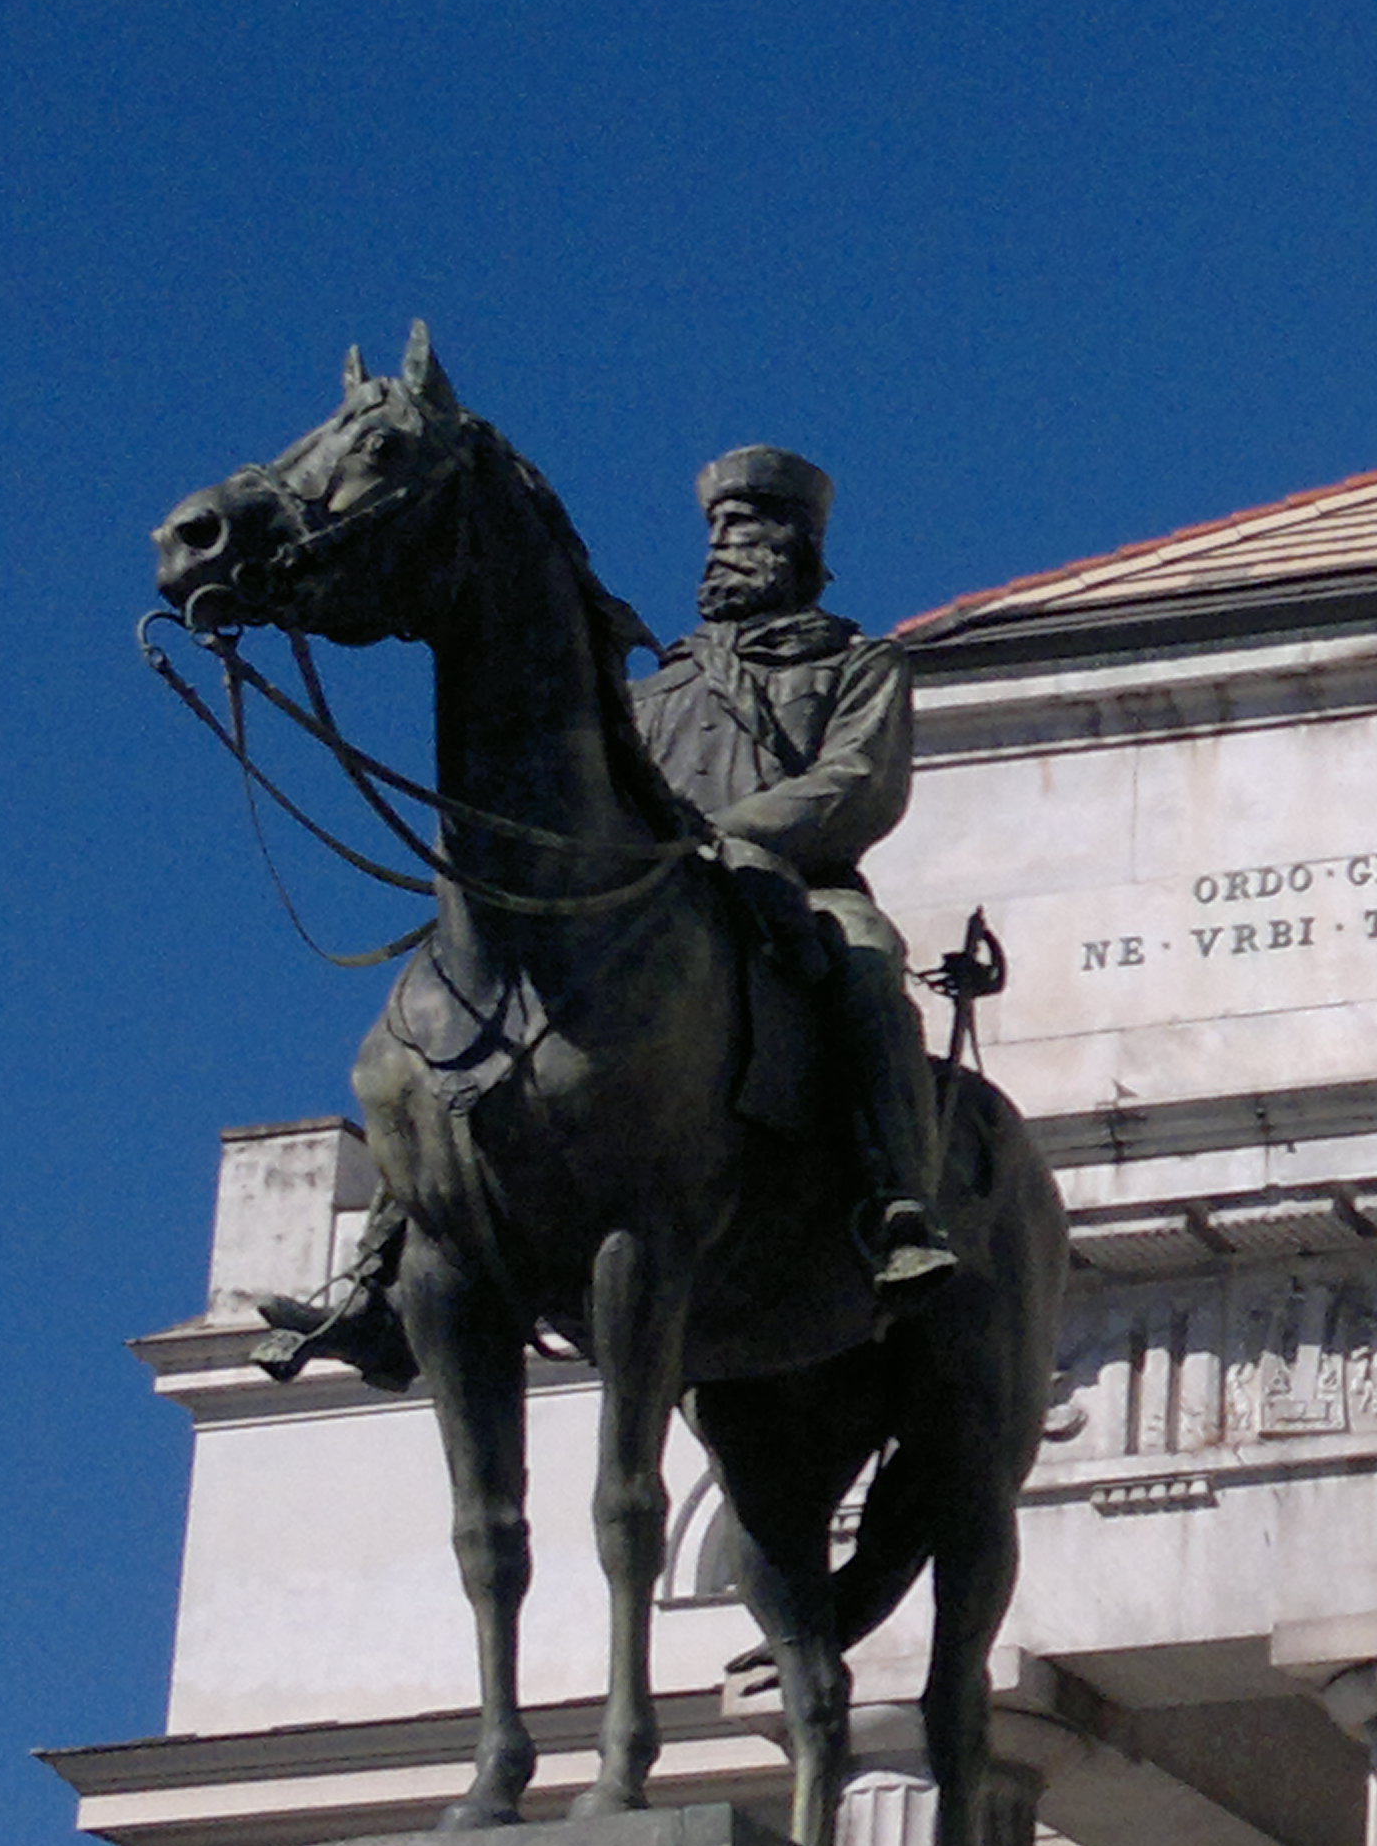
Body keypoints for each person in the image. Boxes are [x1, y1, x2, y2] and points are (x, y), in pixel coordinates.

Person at [254, 446, 959, 1388]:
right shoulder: (654, 687)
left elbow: (858, 781)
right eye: (718, 530)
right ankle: (379, 1278)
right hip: (656, 894)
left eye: (750, 528)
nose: (728, 546)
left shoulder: (858, 663)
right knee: (456, 1021)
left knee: (869, 963)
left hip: (791, 885)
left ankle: (898, 1205)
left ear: (799, 547)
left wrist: (726, 837)